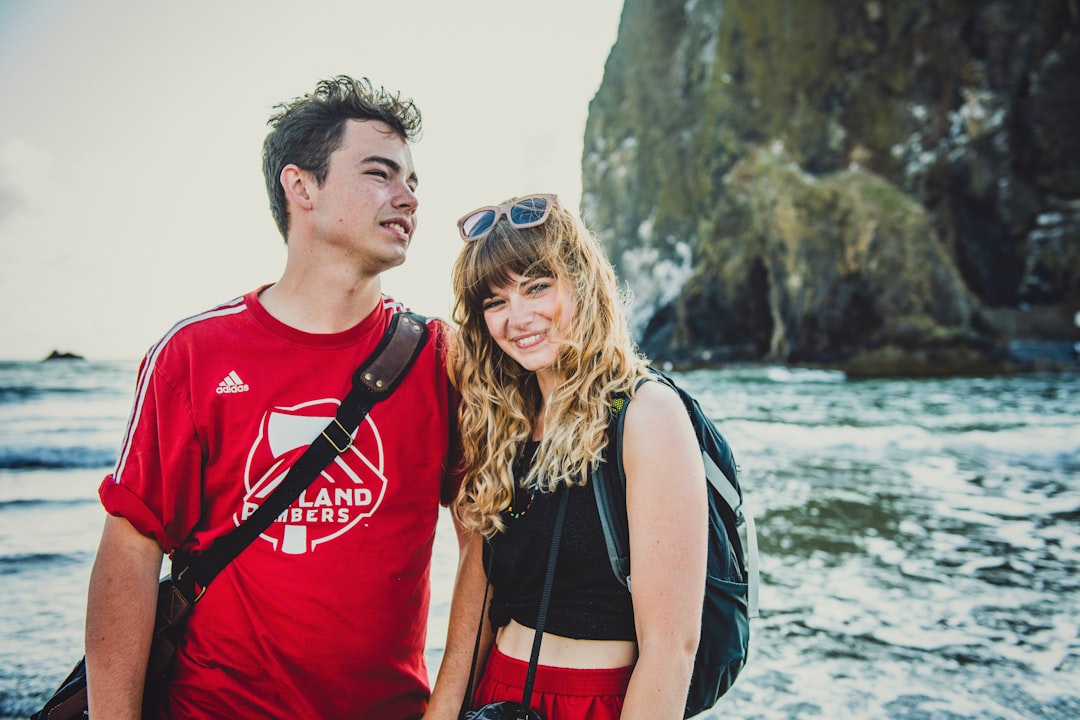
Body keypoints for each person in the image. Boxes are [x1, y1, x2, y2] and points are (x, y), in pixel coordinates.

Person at [84, 75, 461, 719]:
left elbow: (484, 532)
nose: (408, 198)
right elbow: (131, 549)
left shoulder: (439, 357)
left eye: (413, 182)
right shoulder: (195, 355)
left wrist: (446, 709)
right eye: (380, 173)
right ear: (301, 187)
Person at [424, 194, 708, 719]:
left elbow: (672, 650)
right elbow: (480, 597)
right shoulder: (502, 420)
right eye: (494, 301)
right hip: (494, 696)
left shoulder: (646, 415)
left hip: (597, 702)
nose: (518, 317)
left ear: (581, 282)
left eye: (537, 287)